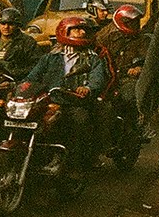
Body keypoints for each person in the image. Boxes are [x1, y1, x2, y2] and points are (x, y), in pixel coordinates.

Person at [21, 16, 109, 178]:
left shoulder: (92, 58)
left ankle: (75, 164)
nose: (82, 32)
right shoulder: (50, 57)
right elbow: (32, 77)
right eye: (76, 29)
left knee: (80, 121)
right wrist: (21, 88)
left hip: (74, 102)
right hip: (49, 102)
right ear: (65, 31)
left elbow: (98, 79)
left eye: (83, 30)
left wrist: (87, 88)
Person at [96, 4, 148, 129]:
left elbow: (146, 59)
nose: (137, 25)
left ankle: (132, 127)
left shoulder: (141, 39)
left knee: (128, 96)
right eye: (133, 22)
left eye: (137, 22)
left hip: (126, 79)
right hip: (106, 77)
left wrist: (138, 68)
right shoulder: (104, 37)